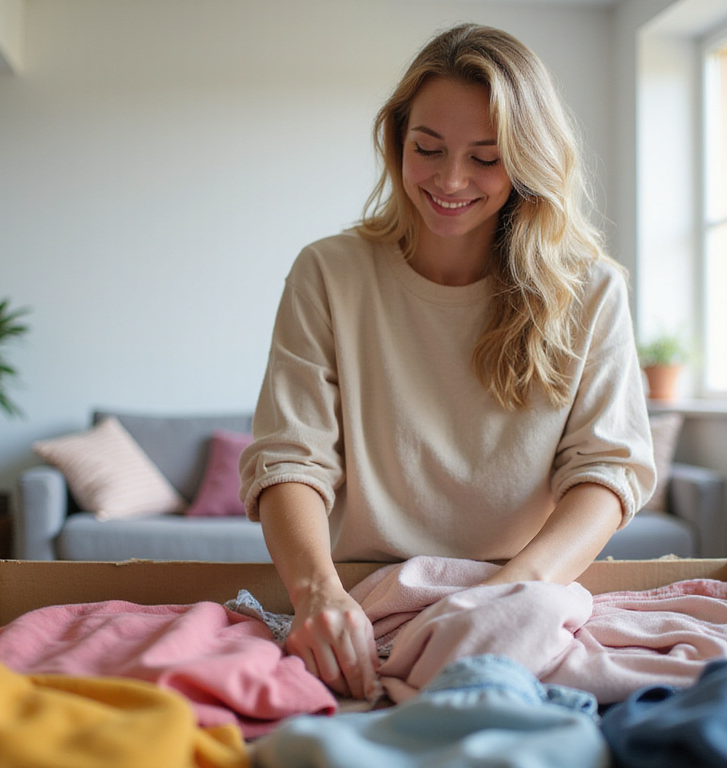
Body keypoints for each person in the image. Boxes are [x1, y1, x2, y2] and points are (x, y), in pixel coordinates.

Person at [238, 23, 658, 700]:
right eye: (426, 148)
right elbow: (290, 457)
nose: (450, 180)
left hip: (526, 588)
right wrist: (316, 593)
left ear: (529, 161)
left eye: (486, 158)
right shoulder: (329, 273)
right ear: (397, 140)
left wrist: (501, 597)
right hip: (364, 595)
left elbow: (608, 471)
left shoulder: (591, 290)